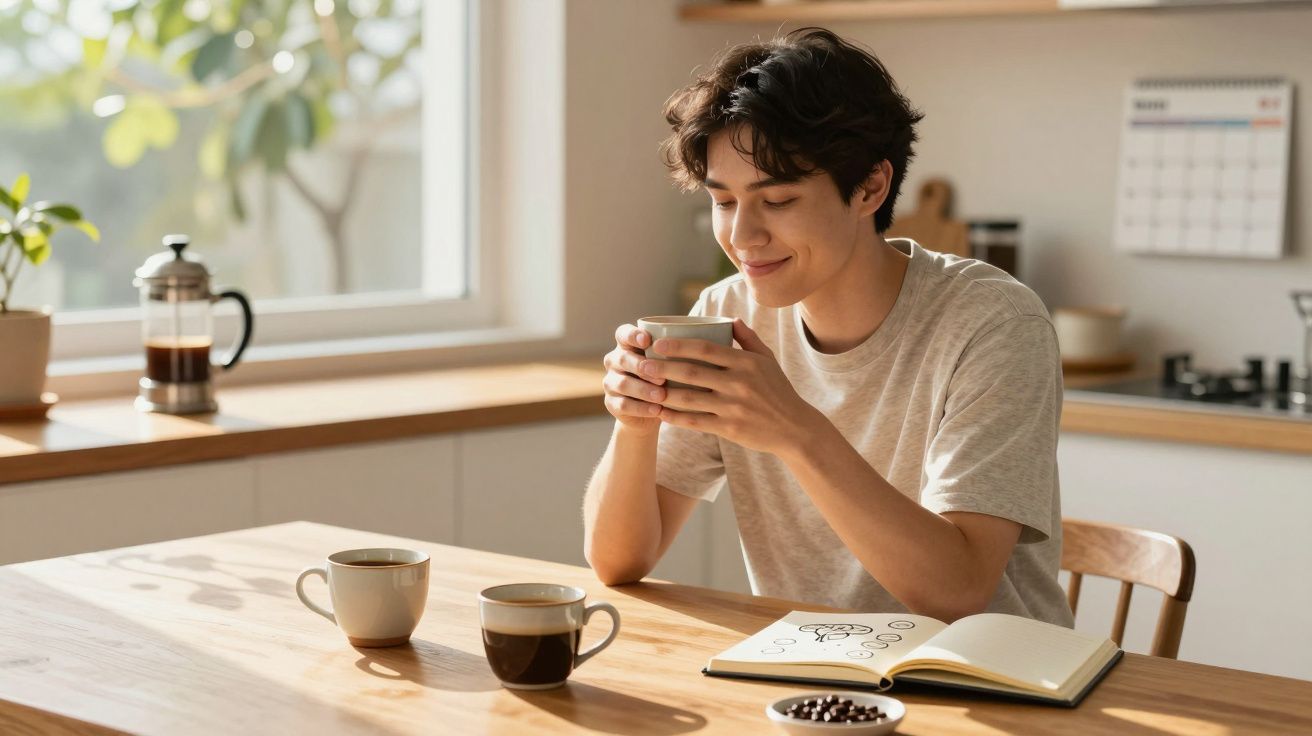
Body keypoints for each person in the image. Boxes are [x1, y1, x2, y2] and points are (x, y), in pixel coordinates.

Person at [582, 28, 1073, 626]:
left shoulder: (993, 324)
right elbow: (617, 562)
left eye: (778, 201)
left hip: (987, 670)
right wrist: (636, 423)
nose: (742, 237)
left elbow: (959, 592)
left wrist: (795, 431)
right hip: (806, 665)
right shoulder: (727, 315)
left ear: (870, 187)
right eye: (724, 202)